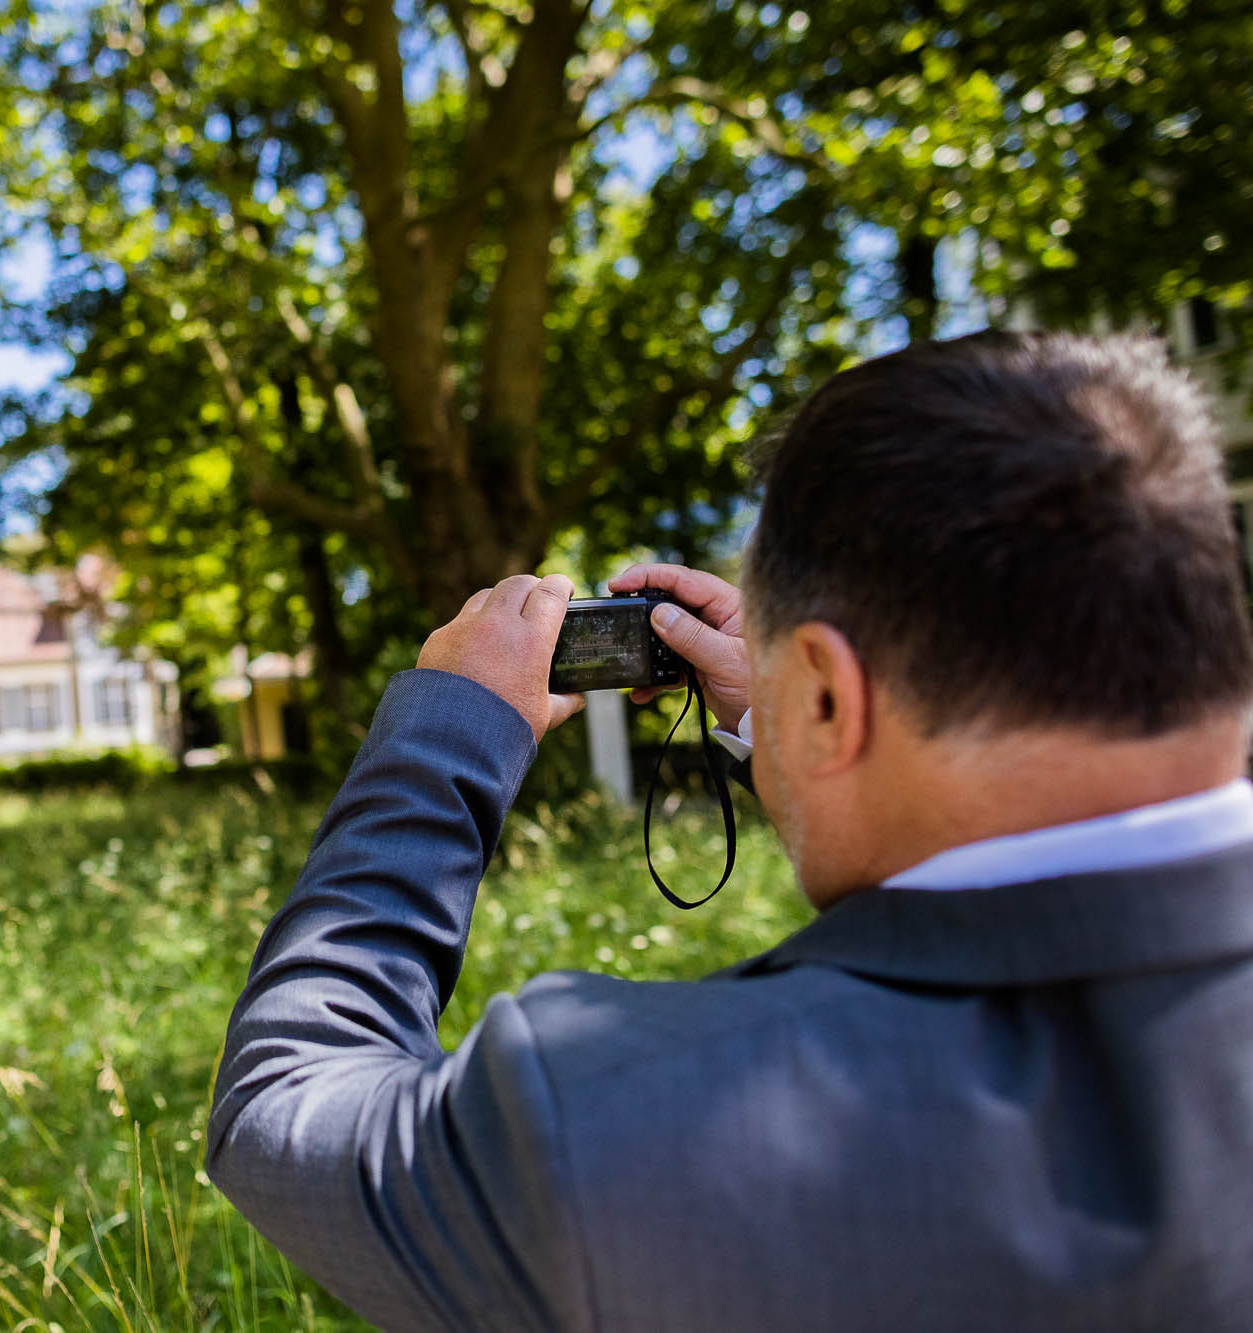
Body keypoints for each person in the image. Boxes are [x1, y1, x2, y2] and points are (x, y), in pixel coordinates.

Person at [206, 331, 1253, 1332]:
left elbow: (286, 1101)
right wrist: (790, 721)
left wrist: (448, 731)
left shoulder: (632, 1123)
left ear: (832, 694)